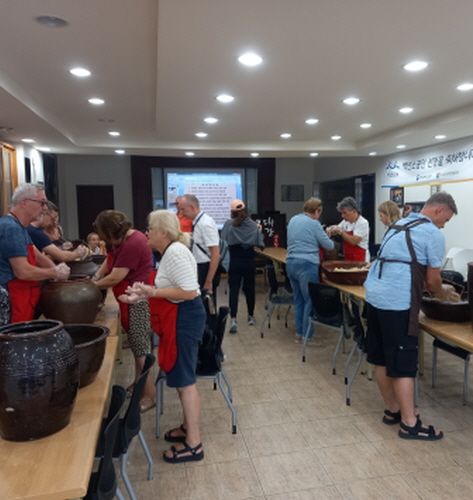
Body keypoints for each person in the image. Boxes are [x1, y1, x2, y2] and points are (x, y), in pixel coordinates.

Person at [364, 192, 459, 441]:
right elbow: (432, 279)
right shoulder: (432, 233)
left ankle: (392, 410)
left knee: (381, 359)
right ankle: (409, 423)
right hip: (397, 302)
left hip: (374, 296)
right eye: (445, 220)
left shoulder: (399, 224)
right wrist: (443, 292)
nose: (443, 225)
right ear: (439, 210)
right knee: (404, 363)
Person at [119, 210, 206, 463]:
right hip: (179, 318)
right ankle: (187, 427)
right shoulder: (170, 252)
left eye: (150, 227)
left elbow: (188, 292)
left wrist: (150, 292)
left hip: (185, 319)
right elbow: (171, 287)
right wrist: (144, 294)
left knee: (185, 381)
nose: (146, 231)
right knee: (181, 378)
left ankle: (194, 444)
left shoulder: (176, 252)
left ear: (163, 232)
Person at [92, 210, 155, 411]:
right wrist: (96, 275)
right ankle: (138, 384)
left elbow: (115, 277)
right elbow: (109, 259)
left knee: (141, 349)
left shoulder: (134, 243)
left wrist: (90, 287)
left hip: (138, 300)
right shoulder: (121, 239)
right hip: (128, 298)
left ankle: (149, 395)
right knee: (137, 348)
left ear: (113, 232)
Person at [0, 184, 70, 322]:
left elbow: (37, 256)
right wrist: (54, 272)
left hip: (23, 299)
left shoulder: (20, 227)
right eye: (42, 203)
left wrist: (57, 270)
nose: (45, 208)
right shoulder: (11, 228)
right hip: (12, 301)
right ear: (24, 202)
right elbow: (23, 271)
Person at [286, 197, 335, 342]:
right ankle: (307, 334)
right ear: (317, 211)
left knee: (298, 299)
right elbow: (329, 246)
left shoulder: (293, 220)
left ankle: (299, 333)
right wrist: (328, 234)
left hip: (290, 263)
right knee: (309, 300)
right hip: (307, 264)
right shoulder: (314, 224)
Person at [221, 199, 264, 333]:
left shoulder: (228, 225)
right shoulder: (253, 225)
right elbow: (261, 245)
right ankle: (250, 316)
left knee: (234, 291)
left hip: (234, 262)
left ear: (232, 212)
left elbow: (223, 242)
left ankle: (233, 319)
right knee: (250, 289)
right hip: (249, 262)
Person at [179, 194, 220, 296]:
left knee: (207, 304)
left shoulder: (205, 224)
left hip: (206, 269)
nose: (181, 214)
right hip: (199, 267)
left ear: (192, 207)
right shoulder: (197, 222)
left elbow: (215, 254)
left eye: (183, 210)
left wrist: (208, 281)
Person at [327, 196, 370, 262]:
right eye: (341, 213)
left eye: (345, 213)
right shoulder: (345, 222)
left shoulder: (363, 222)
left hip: (361, 259)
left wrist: (341, 232)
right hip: (348, 258)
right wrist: (330, 229)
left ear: (354, 211)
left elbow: (354, 241)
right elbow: (337, 229)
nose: (342, 216)